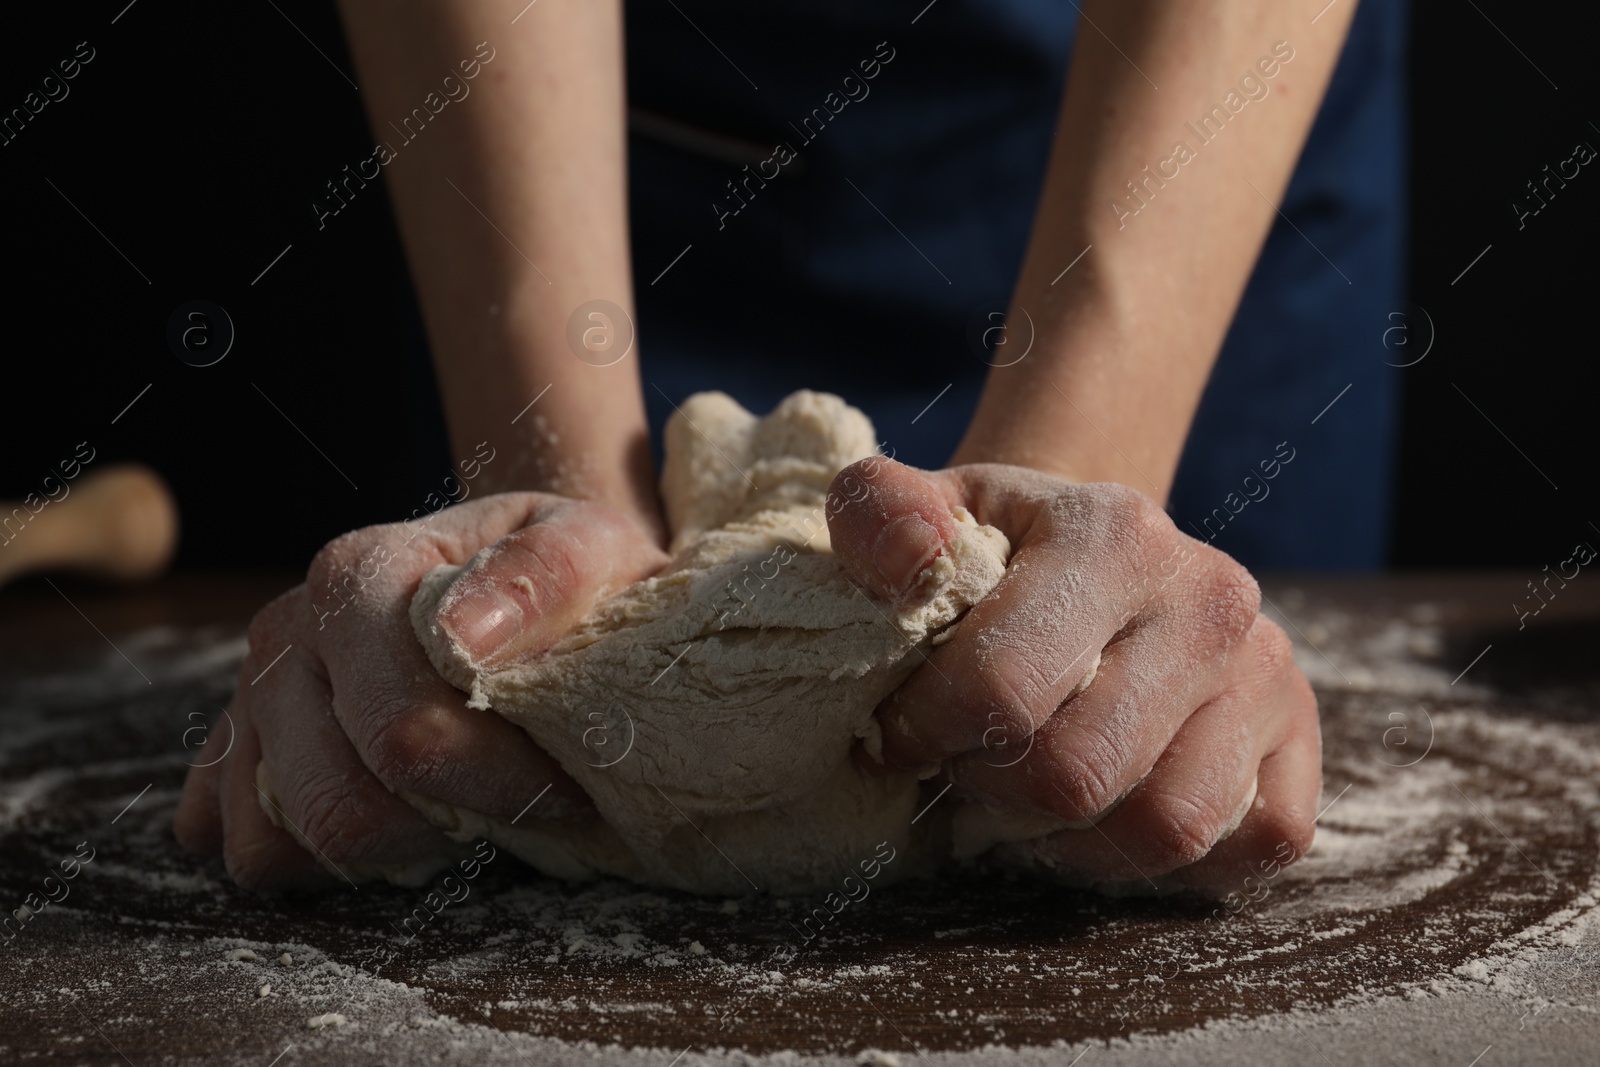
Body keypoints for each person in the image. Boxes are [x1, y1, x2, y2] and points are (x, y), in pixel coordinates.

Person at [177, 0, 1408, 892]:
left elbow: (1060, 620)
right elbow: (521, 599)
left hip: (1183, 128)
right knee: (451, 752)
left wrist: (1057, 536)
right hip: (611, 133)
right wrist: (542, 516)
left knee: (1135, 742)